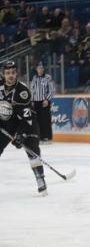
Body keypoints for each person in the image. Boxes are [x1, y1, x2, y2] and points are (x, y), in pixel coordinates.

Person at [0, 60, 47, 195]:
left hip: (27, 123)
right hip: (7, 124)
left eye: (13, 73)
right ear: (3, 74)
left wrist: (20, 135)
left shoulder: (22, 91)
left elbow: (26, 119)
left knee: (32, 149)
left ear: (17, 73)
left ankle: (40, 178)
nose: (10, 76)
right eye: (7, 73)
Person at [30, 62, 55, 144]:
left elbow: (51, 90)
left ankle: (47, 137)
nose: (40, 70)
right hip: (36, 102)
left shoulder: (48, 77)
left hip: (44, 102)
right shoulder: (34, 78)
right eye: (38, 68)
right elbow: (32, 90)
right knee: (37, 120)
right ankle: (40, 137)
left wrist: (47, 99)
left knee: (46, 120)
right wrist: (32, 100)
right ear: (36, 69)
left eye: (41, 68)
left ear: (43, 69)